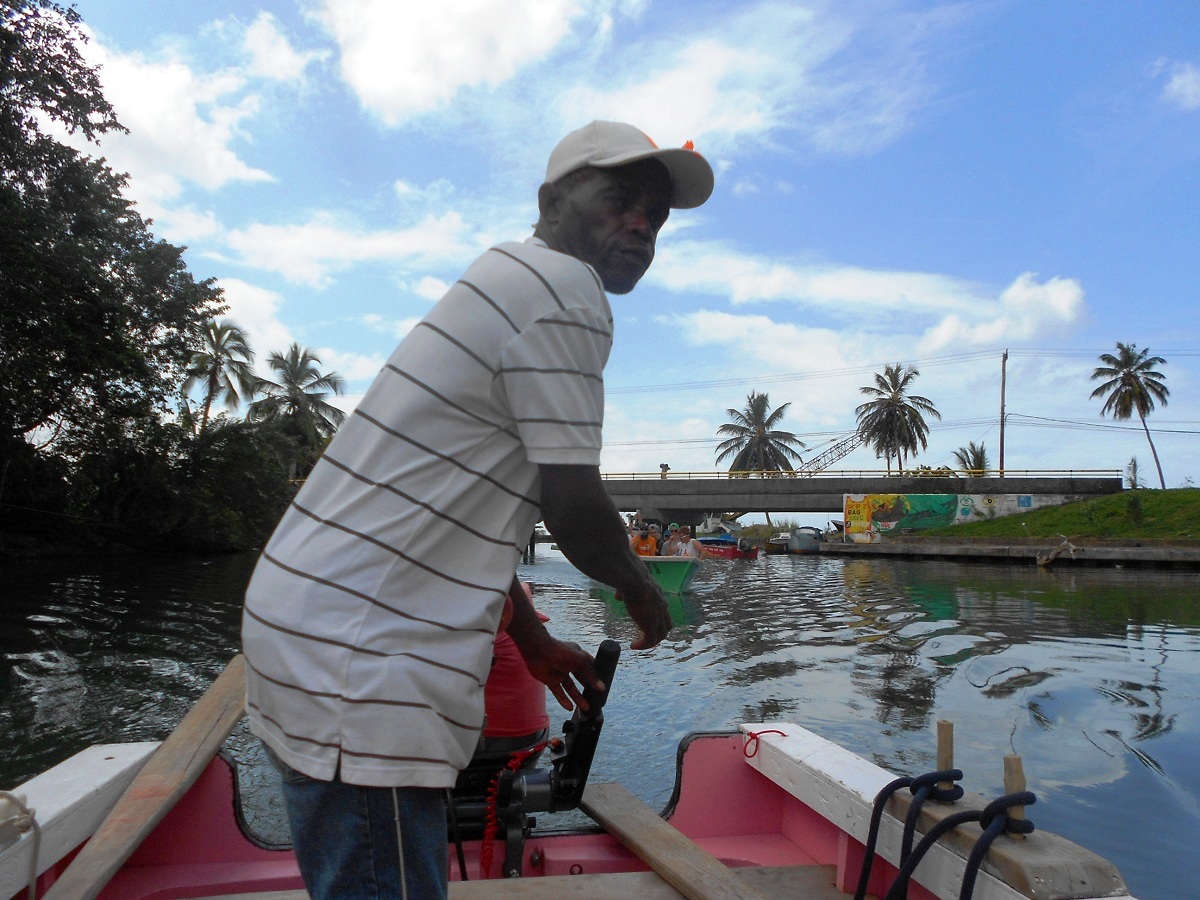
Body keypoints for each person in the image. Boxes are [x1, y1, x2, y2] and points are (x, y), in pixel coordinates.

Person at [241, 120, 714, 899]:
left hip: (312, 636)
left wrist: (533, 640)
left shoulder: (504, 279)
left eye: (656, 216)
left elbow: (455, 522)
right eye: (620, 200)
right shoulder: (565, 289)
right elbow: (573, 502)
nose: (641, 225)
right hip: (363, 666)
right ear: (552, 202)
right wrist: (639, 587)